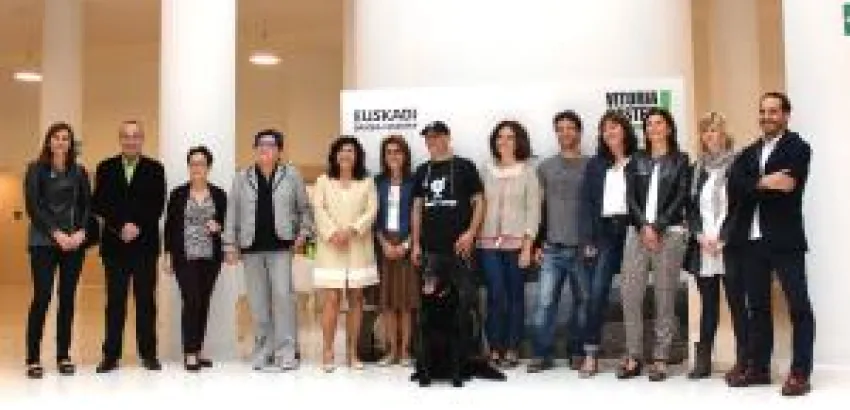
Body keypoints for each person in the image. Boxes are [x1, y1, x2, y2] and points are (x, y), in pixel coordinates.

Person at [724, 92, 814, 397]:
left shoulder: (798, 147)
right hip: (751, 240)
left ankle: (800, 373)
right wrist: (764, 182)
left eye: (773, 111)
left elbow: (788, 185)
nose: (767, 117)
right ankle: (759, 369)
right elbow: (734, 186)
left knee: (799, 307)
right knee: (758, 307)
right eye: (763, 111)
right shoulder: (748, 152)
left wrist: (752, 185)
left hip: (785, 240)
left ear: (786, 115)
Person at [223, 129, 313, 372]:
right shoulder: (241, 177)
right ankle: (263, 350)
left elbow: (305, 209)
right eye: (260, 144)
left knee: (283, 298)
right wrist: (229, 244)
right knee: (257, 303)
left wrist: (303, 233)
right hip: (251, 248)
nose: (264, 148)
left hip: (281, 247)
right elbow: (232, 212)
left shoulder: (291, 175)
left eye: (271, 144)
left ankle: (287, 351)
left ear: (279, 150)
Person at [618, 107, 690, 382]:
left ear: (669, 128)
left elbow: (681, 196)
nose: (653, 128)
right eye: (649, 124)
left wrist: (658, 226)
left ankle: (661, 357)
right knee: (630, 294)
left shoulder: (681, 160)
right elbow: (630, 198)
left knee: (664, 296)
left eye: (659, 123)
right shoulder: (636, 160)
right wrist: (644, 227)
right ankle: (633, 355)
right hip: (637, 232)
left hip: (669, 233)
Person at [92, 120, 166, 373]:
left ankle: (149, 354)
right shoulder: (105, 167)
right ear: (120, 139)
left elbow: (157, 204)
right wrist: (120, 226)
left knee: (146, 302)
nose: (131, 140)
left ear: (142, 139)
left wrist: (137, 227)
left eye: (136, 136)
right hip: (115, 246)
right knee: (115, 303)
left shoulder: (155, 169)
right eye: (126, 135)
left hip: (145, 246)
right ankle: (111, 356)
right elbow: (99, 203)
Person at [411, 121, 485, 368]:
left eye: (435, 136)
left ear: (447, 138)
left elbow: (479, 201)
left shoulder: (465, 166)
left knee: (464, 305)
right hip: (430, 252)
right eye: (427, 138)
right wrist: (416, 244)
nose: (430, 141)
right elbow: (416, 208)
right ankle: (432, 360)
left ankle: (466, 357)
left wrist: (471, 233)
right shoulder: (422, 170)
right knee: (431, 307)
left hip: (459, 250)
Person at [23, 122, 92, 379]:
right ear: (49, 141)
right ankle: (33, 358)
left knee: (67, 299)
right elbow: (34, 207)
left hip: (73, 243)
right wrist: (56, 233)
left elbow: (87, 205)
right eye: (56, 137)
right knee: (42, 297)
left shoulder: (79, 171)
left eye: (66, 138)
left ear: (71, 143)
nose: (61, 142)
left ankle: (63, 355)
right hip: (43, 243)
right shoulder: (35, 169)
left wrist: (81, 231)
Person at [684, 112, 748, 380]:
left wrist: (723, 238)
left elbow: (741, 207)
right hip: (703, 246)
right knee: (708, 306)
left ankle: (744, 360)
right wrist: (699, 235)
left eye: (715, 130)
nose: (711, 135)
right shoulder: (696, 169)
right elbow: (690, 207)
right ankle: (703, 362)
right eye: (706, 131)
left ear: (724, 134)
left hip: (729, 245)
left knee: (737, 303)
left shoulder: (738, 165)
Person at [527, 111, 590, 373]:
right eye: (560, 128)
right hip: (552, 248)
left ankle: (577, 352)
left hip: (583, 249)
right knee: (544, 304)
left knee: (583, 303)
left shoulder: (592, 165)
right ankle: (541, 353)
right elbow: (537, 209)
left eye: (570, 128)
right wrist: (536, 243)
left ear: (579, 132)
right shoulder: (545, 168)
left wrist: (593, 241)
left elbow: (597, 207)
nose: (565, 133)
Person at [577, 110, 638, 377]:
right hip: (605, 233)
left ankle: (633, 354)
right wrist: (589, 239)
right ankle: (590, 354)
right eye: (605, 128)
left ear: (624, 130)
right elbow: (588, 204)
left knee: (632, 294)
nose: (609, 132)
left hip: (633, 230)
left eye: (614, 126)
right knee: (597, 292)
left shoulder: (639, 160)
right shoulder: (596, 165)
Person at [312, 136, 379, 372]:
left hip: (358, 247)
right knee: (332, 298)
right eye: (341, 150)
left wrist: (351, 230)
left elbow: (371, 211)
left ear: (357, 155)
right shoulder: (323, 181)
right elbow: (318, 210)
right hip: (331, 247)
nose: (345, 154)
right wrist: (333, 233)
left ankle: (352, 352)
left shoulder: (367, 182)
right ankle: (328, 350)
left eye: (350, 150)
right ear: (335, 155)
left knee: (356, 299)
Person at [478, 120, 541, 369]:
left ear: (518, 141)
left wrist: (527, 246)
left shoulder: (528, 172)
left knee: (516, 296)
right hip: (488, 244)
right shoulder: (486, 170)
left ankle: (513, 348)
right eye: (500, 137)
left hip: (517, 244)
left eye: (510, 137)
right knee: (496, 295)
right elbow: (478, 205)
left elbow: (533, 211)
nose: (503, 142)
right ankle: (495, 347)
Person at [163, 146, 228, 372]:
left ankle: (197, 350)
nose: (196, 167)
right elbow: (170, 226)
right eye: (192, 163)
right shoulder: (178, 194)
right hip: (185, 257)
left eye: (201, 163)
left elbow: (227, 222)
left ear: (208, 167)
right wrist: (168, 254)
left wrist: (219, 226)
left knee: (203, 302)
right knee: (191, 301)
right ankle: (189, 352)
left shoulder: (219, 194)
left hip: (211, 258)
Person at [374, 135, 418, 368]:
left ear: (405, 155)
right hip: (384, 246)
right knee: (388, 302)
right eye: (389, 152)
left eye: (398, 152)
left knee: (406, 303)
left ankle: (405, 351)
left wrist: (406, 245)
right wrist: (384, 244)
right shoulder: (377, 182)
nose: (393, 156)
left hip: (406, 245)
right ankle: (391, 350)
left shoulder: (414, 181)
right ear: (384, 156)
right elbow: (373, 218)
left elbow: (419, 216)